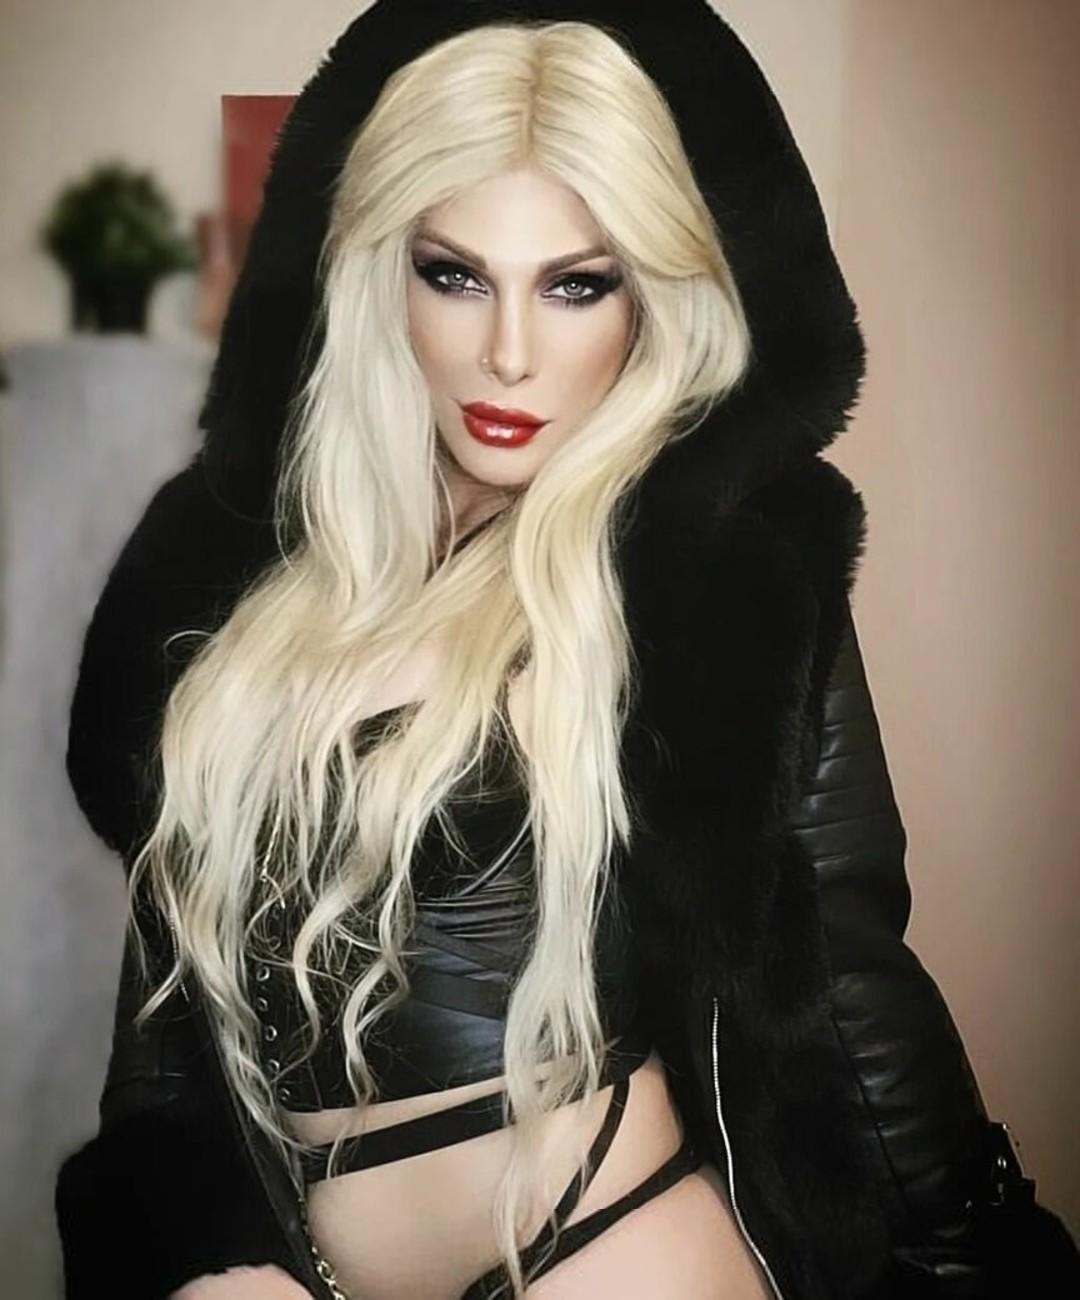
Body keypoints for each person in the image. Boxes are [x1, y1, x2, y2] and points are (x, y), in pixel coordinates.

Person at [54, 5, 1079, 1300]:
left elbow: (839, 964)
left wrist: (973, 1247)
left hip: (613, 1247)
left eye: (575, 284)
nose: (509, 352)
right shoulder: (239, 581)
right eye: (456, 274)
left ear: (649, 299)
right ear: (382, 270)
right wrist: (194, 1259)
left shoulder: (716, 571)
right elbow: (165, 1034)